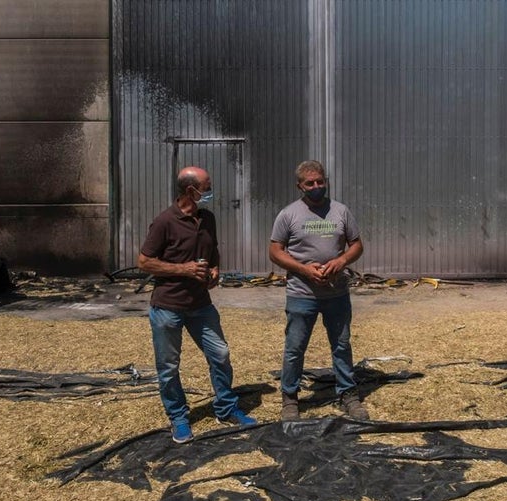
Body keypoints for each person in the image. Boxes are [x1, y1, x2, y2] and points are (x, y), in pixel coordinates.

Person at [138, 166, 257, 443]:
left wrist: (215, 270)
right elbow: (144, 262)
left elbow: (213, 251)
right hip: (168, 306)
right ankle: (178, 417)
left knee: (220, 354)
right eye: (207, 186)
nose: (211, 190)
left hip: (201, 305)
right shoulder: (164, 222)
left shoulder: (207, 218)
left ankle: (226, 408)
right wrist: (184, 269)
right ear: (191, 190)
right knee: (168, 366)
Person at [269, 160, 368, 421]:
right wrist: (304, 269)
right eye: (310, 183)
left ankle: (348, 394)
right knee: (295, 347)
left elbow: (357, 245)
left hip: (336, 293)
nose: (316, 187)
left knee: (341, 345)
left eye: (320, 182)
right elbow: (275, 251)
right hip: (302, 294)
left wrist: (341, 261)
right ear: (299, 186)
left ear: (326, 181)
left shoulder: (340, 211)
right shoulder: (289, 214)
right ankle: (290, 398)